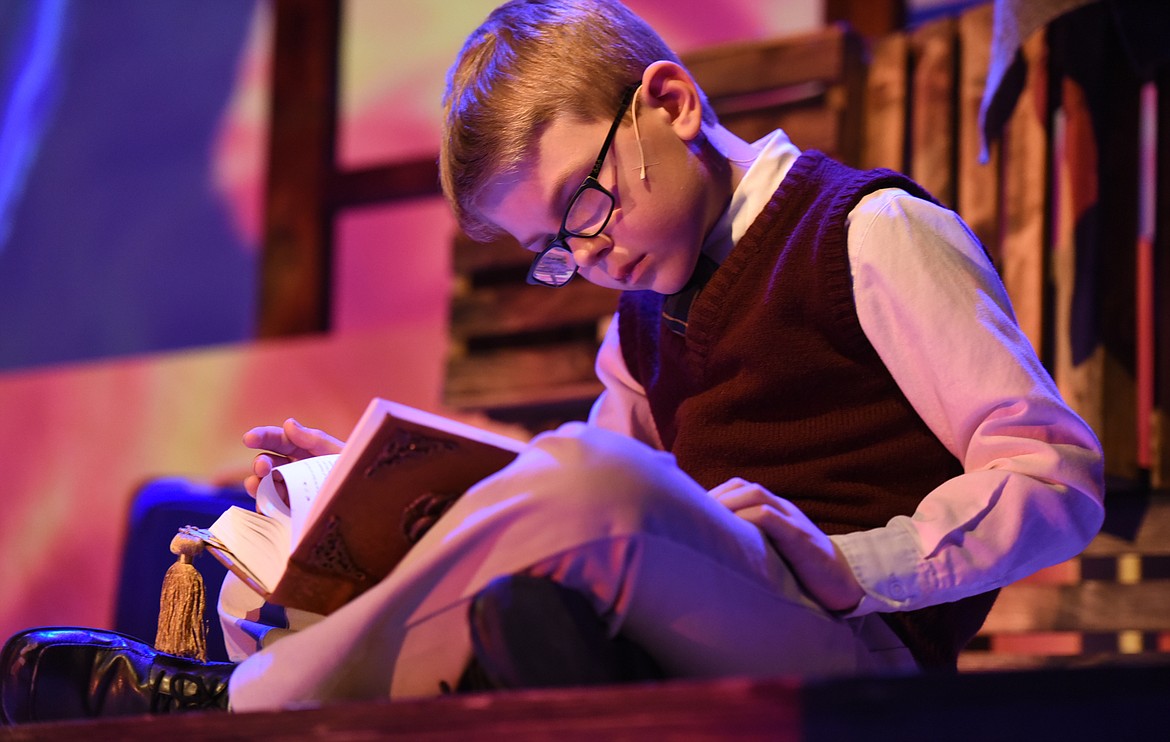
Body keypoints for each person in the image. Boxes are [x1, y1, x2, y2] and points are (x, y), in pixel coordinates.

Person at [1, 0, 1104, 722]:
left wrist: (855, 565)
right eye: (551, 250)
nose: (588, 254)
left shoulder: (862, 232)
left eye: (585, 203)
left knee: (594, 476)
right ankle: (528, 662)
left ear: (670, 101)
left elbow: (1055, 478)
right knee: (365, 541)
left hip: (856, 650)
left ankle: (232, 703)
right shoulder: (638, 324)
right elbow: (543, 519)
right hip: (686, 615)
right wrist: (379, 488)